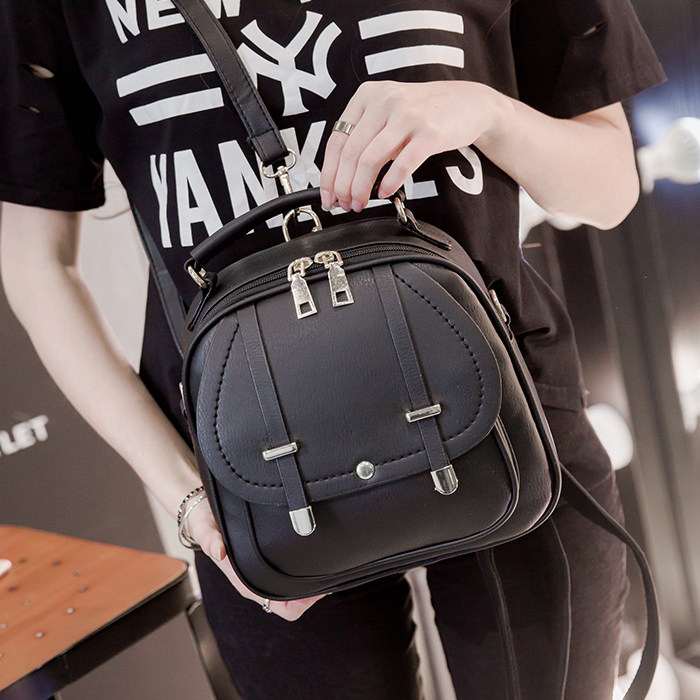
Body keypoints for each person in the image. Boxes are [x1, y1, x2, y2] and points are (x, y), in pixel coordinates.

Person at [0, 0, 664, 698]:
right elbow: (35, 262)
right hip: (250, 468)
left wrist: (486, 112)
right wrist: (189, 496)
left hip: (504, 417)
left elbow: (608, 188)